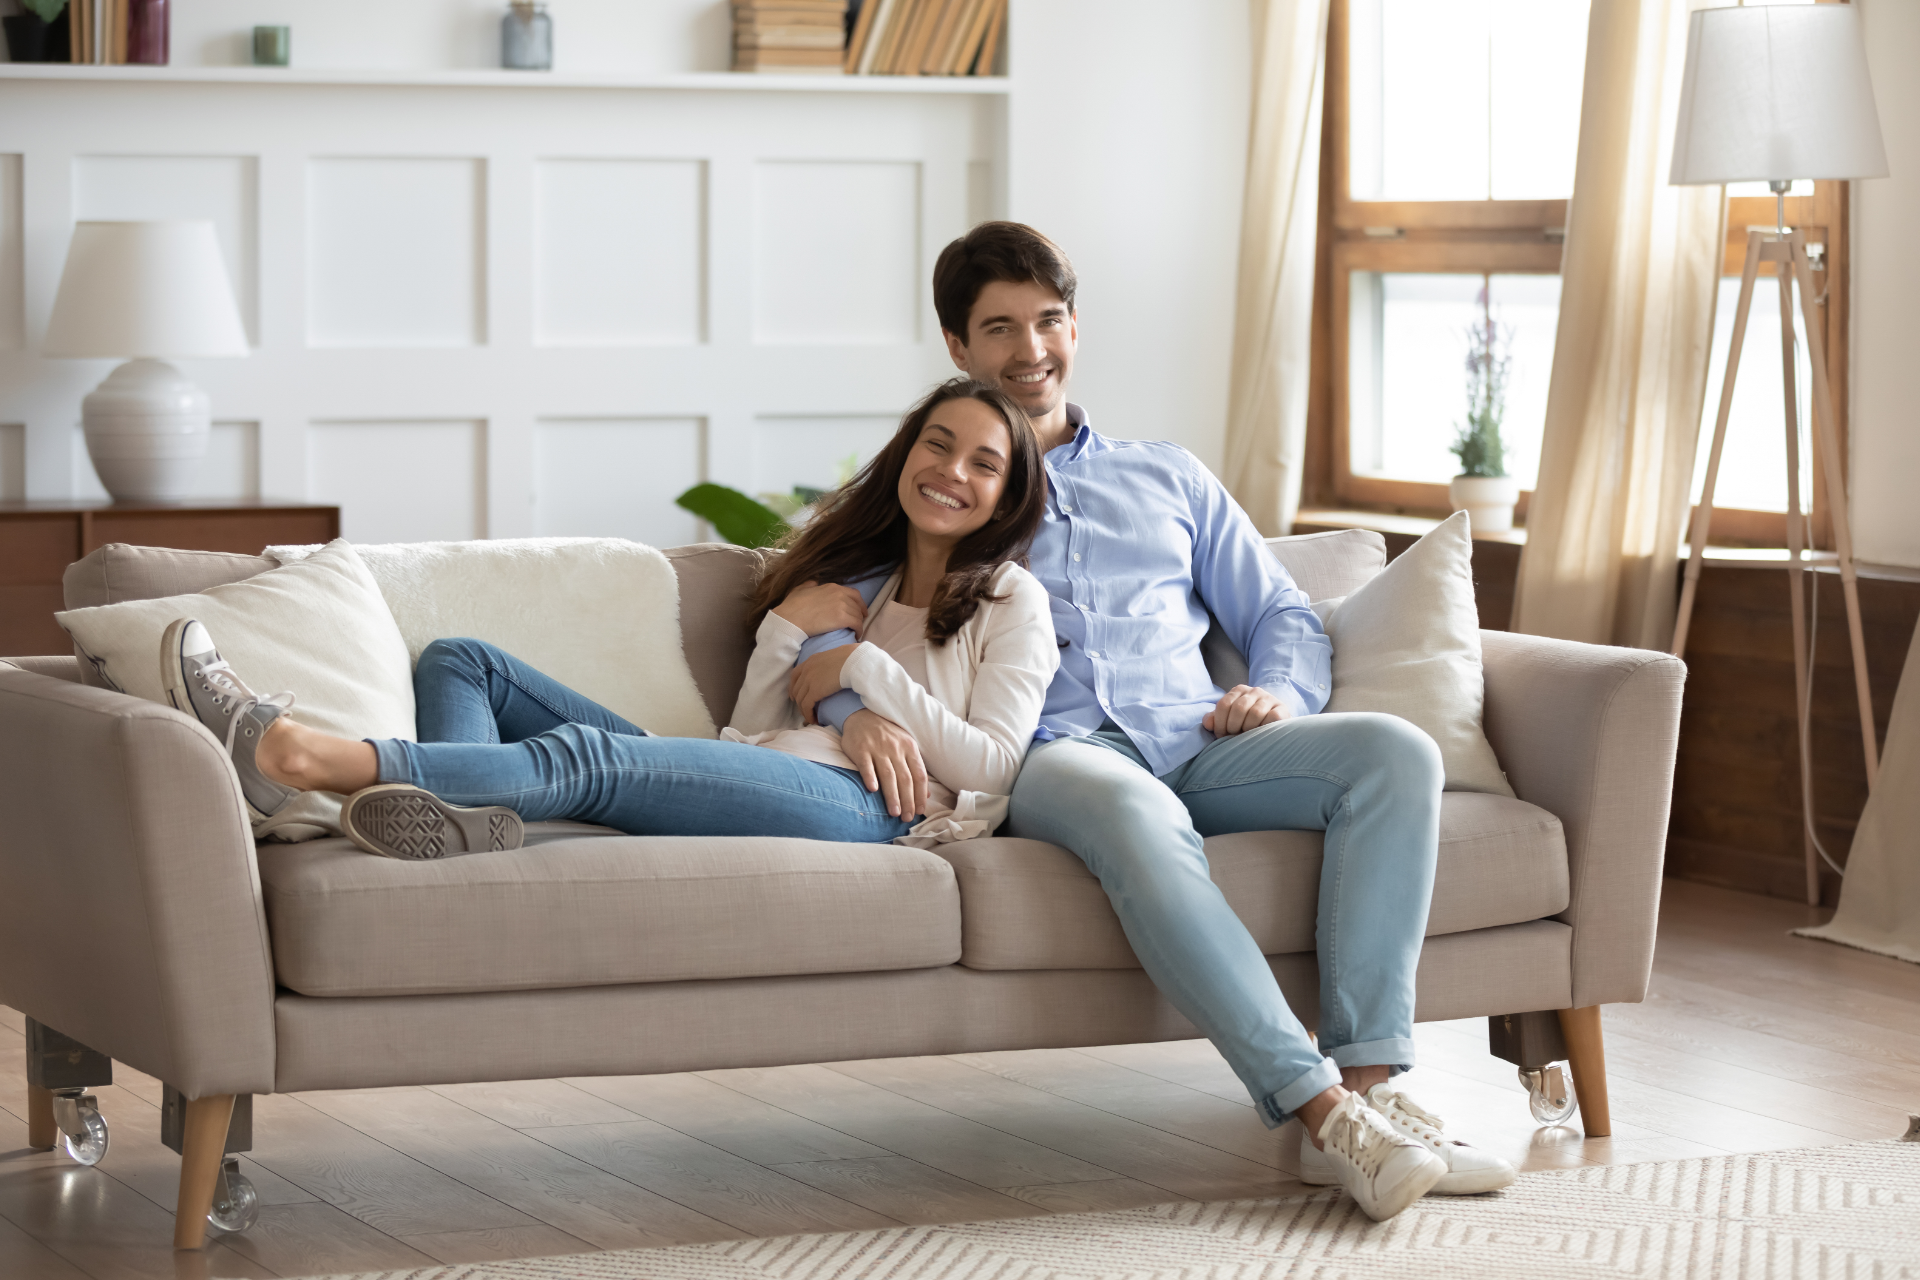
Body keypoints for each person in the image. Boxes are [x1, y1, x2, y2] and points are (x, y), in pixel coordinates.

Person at [807, 223, 1518, 1222]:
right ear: (957, 346)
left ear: (1076, 325)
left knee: (1393, 753)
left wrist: (1278, 691)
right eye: (999, 327)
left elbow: (1282, 614)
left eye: (1048, 320)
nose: (1030, 348)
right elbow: (814, 617)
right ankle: (1322, 1114)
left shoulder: (1168, 476)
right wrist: (851, 711)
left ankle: (1372, 1086)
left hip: (1203, 739)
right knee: (1134, 811)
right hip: (1055, 755)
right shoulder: (945, 478)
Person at [161, 377, 1058, 859]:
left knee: (592, 761)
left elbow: (992, 765)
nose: (952, 469)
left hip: (870, 810)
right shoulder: (850, 586)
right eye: (938, 443)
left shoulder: (1011, 602)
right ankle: (456, 816)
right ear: (907, 455)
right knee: (461, 659)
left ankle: (300, 757)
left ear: (1008, 495)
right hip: (772, 770)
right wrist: (789, 630)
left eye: (984, 463)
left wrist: (860, 676)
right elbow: (747, 733)